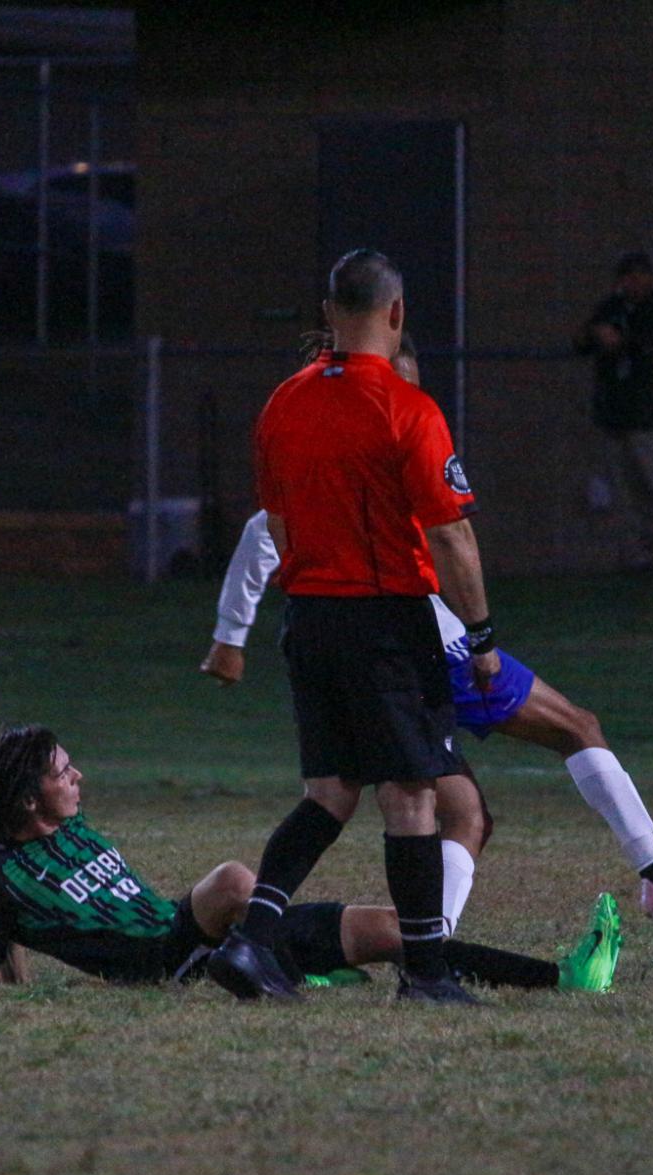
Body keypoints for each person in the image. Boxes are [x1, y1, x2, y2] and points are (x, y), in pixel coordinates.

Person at [201, 341, 653, 922]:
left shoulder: (317, 439)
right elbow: (449, 537)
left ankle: (402, 943)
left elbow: (266, 529)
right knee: (569, 731)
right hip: (418, 642)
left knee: (442, 812)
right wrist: (481, 636)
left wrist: (230, 638)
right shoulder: (388, 434)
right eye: (402, 383)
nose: (408, 396)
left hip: (345, 642)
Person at [206, 249, 498, 1006]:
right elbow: (450, 535)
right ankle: (428, 975)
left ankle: (248, 945)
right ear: (395, 314)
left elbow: (274, 519)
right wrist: (483, 636)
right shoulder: (407, 409)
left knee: (329, 791)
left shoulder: (281, 404)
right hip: (384, 623)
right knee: (411, 796)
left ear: (328, 315)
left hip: (310, 620)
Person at [0, 725, 620, 994]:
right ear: (23, 801)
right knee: (232, 879)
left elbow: (16, 942)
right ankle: (270, 965)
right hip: (159, 961)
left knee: (399, 929)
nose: (78, 779)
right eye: (62, 774)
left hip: (205, 940)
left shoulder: (69, 831)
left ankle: (562, 979)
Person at [575, 251, 653, 574]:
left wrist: (619, 340)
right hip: (620, 416)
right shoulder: (612, 308)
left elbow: (647, 342)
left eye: (641, 276)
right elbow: (583, 341)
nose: (635, 282)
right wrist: (595, 334)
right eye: (629, 276)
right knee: (629, 493)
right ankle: (642, 558)